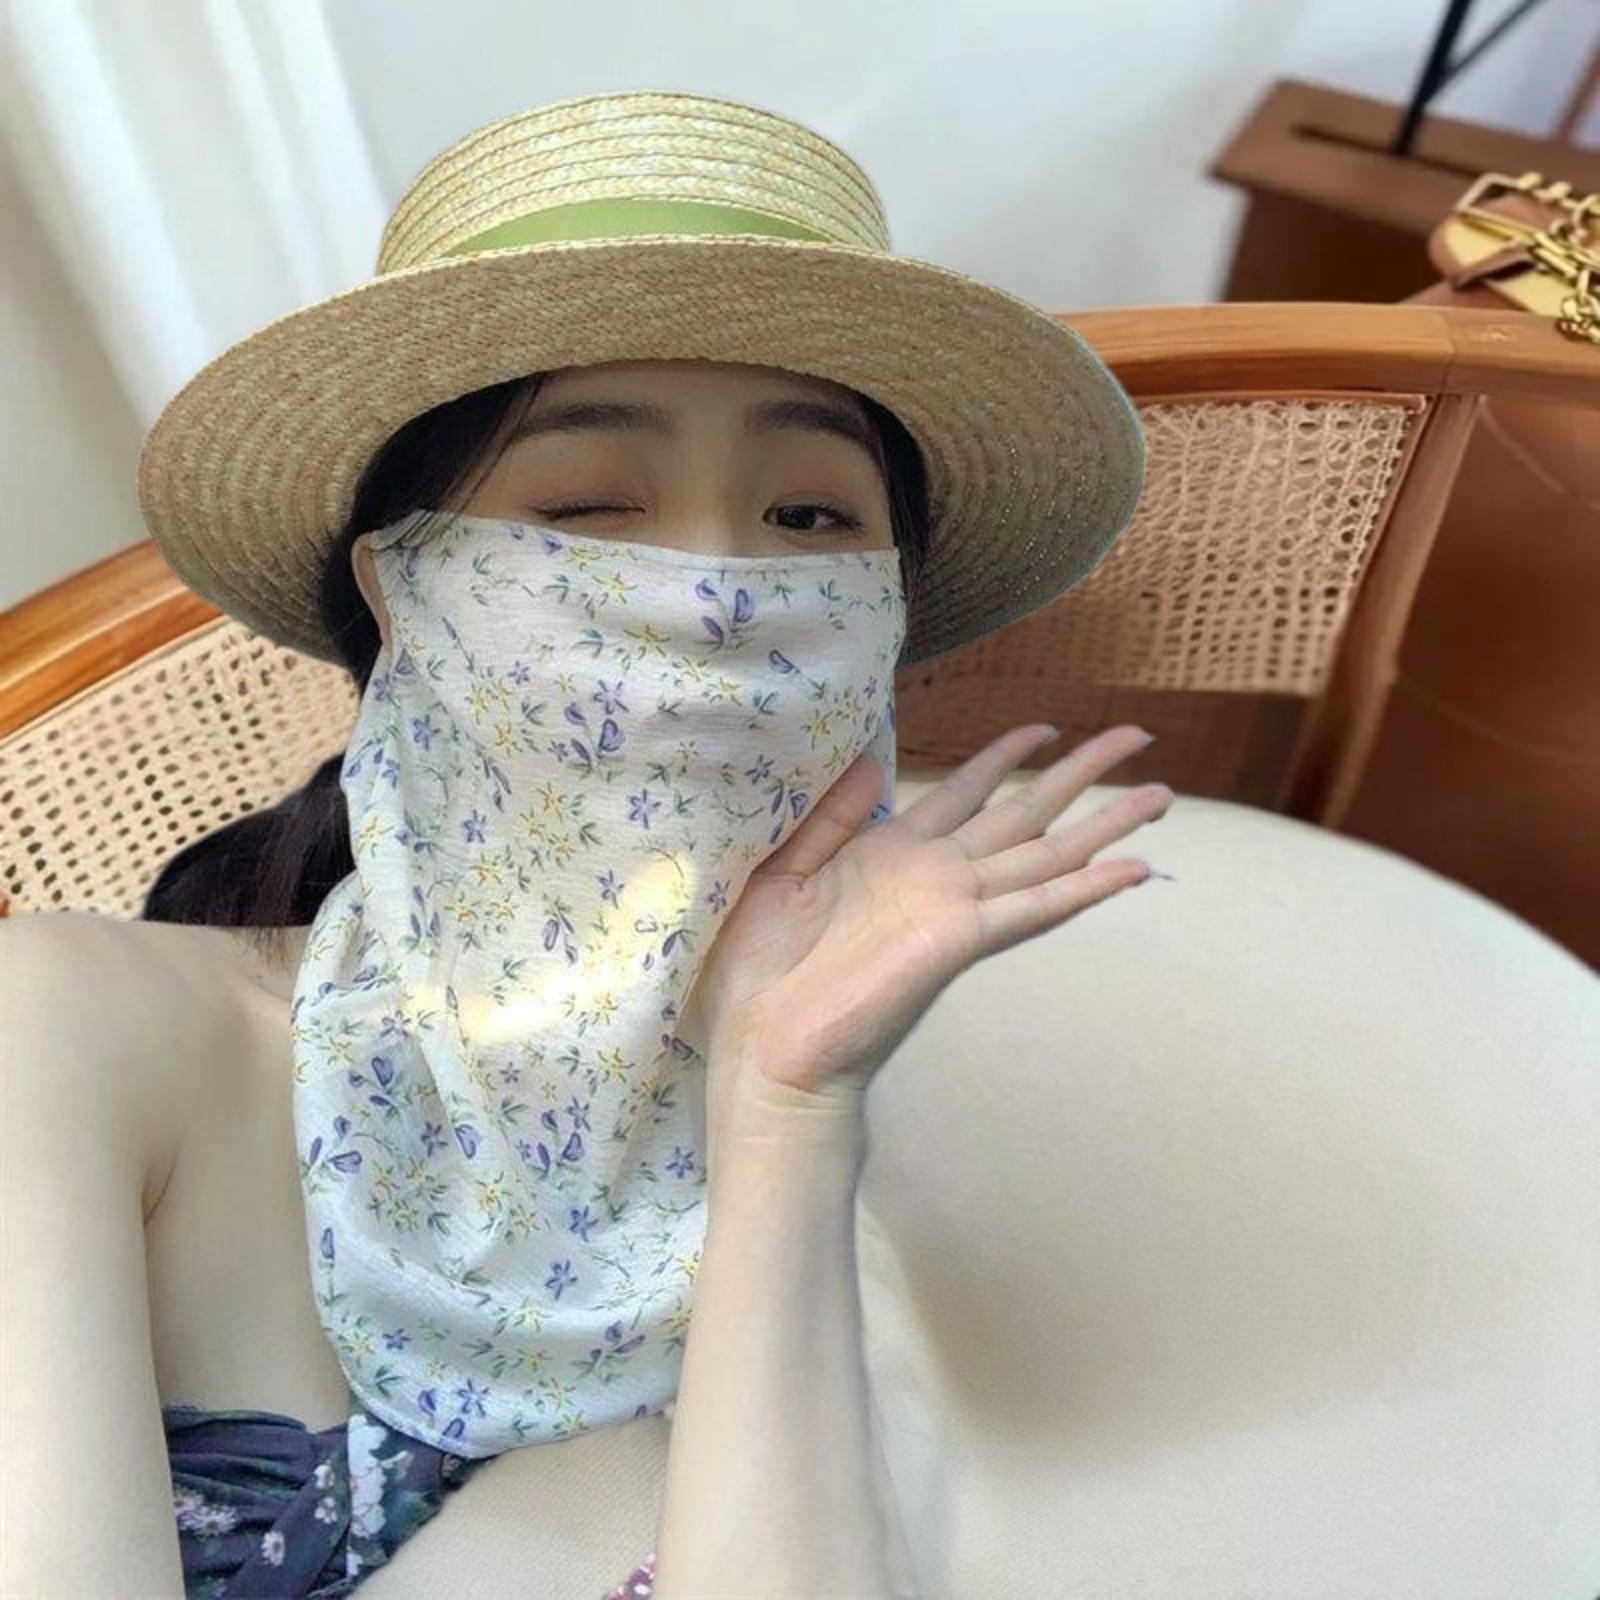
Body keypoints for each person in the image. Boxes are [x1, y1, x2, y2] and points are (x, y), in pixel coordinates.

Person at [3, 89, 1158, 1599]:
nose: (717, 590)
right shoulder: (59, 1026)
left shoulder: (876, 1125)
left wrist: (786, 1104)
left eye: (811, 518)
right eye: (591, 503)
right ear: (404, 589)